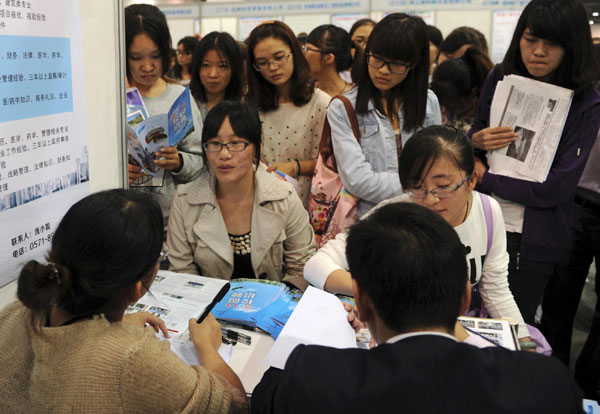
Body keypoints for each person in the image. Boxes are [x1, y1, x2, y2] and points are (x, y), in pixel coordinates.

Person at [252, 203, 582, 414]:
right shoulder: (545, 383)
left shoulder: (313, 376)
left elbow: (265, 396)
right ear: (464, 300)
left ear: (362, 305)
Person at [0, 189, 247, 413]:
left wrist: (112, 329)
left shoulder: (16, 312)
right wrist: (207, 348)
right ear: (137, 288)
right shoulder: (133, 359)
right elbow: (235, 405)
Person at [305, 125, 530, 340]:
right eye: (417, 187)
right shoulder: (395, 214)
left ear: (471, 180)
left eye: (443, 187)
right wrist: (375, 291)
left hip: (461, 331)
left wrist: (524, 342)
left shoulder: (488, 213)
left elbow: (496, 289)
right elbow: (316, 265)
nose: (431, 199)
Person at [468, 0, 600, 325]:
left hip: (533, 238)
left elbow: (557, 187)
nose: (538, 52)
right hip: (480, 219)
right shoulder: (499, 76)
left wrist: (486, 179)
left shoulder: (586, 100)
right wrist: (475, 142)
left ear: (572, 46)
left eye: (552, 43)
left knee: (514, 329)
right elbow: (472, 142)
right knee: (465, 319)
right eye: (530, 40)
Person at [166, 101, 316, 290]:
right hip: (208, 313)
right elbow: (182, 273)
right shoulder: (184, 200)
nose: (224, 154)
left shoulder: (283, 197)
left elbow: (301, 270)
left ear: (257, 146)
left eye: (235, 143)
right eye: (215, 144)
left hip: (274, 312)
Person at [327, 13, 441, 218]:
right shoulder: (343, 107)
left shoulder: (428, 102)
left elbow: (437, 163)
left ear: (414, 64)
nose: (383, 71)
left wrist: (426, 185)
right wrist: (420, 187)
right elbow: (358, 180)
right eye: (377, 59)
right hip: (372, 220)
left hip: (422, 217)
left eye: (396, 64)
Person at [125, 4, 204, 231]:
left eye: (155, 56)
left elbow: (200, 161)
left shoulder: (179, 97)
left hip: (174, 223)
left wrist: (178, 161)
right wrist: (117, 169)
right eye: (136, 57)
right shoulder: (112, 100)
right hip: (124, 223)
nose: (147, 67)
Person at [245, 21, 330, 208]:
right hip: (262, 200)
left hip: (307, 201)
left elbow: (333, 162)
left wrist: (295, 166)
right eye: (263, 63)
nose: (273, 67)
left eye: (279, 57)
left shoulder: (321, 103)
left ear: (294, 53)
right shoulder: (252, 105)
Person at [431, 47, 494, 134]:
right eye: (443, 104)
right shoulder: (439, 105)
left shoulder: (488, 116)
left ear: (473, 92)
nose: (446, 109)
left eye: (453, 106)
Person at [189, 31, 244, 121]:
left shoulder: (244, 109)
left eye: (222, 66)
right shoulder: (186, 106)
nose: (213, 74)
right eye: (206, 65)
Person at [304, 25, 359, 97]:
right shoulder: (307, 95)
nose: (303, 54)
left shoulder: (355, 98)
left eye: (308, 49)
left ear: (329, 58)